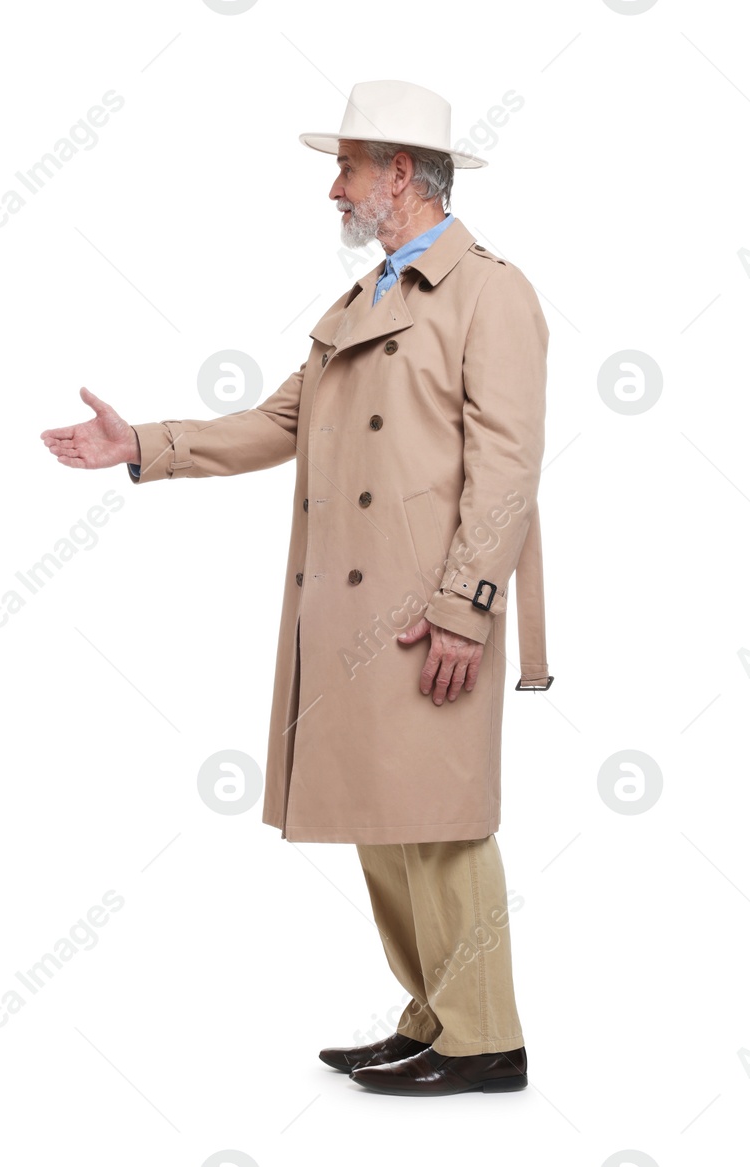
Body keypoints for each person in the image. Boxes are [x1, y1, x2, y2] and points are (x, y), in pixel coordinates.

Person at [40, 79, 553, 1097]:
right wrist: (142, 443)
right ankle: (435, 1015)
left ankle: (486, 1039)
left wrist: (465, 607)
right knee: (380, 815)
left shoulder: (493, 293)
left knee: (441, 822)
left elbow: (508, 467)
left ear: (398, 175)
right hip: (354, 618)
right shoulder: (362, 298)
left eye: (347, 168)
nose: (333, 189)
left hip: (430, 612)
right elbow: (279, 422)